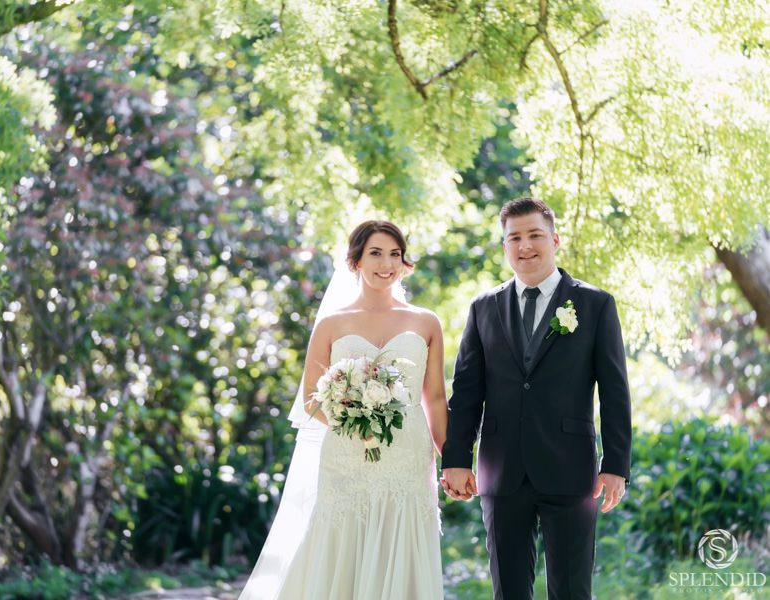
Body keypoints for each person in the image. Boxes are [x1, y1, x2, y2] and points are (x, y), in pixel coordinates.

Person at [240, 220, 448, 600]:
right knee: (341, 547)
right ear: (355, 261)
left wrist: (451, 460)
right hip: (347, 455)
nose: (387, 263)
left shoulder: (426, 321)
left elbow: (433, 398)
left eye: (395, 254)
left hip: (408, 457)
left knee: (400, 544)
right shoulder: (332, 324)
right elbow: (311, 397)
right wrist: (355, 422)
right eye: (376, 253)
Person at [441, 197, 632, 599]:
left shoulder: (595, 304)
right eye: (515, 238)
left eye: (535, 235)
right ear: (504, 246)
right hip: (501, 468)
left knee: (572, 590)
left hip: (571, 468)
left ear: (555, 239)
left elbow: (615, 391)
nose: (525, 246)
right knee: (508, 591)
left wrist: (616, 464)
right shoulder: (483, 308)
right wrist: (456, 459)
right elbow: (467, 391)